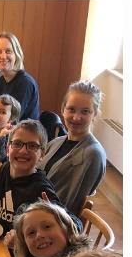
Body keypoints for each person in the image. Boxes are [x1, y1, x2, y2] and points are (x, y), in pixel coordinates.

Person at [0, 119, 70, 229]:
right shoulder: (5, 170)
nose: (23, 151)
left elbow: (74, 224)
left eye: (32, 146)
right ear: (8, 149)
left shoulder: (41, 188)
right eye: (17, 144)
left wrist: (56, 218)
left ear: (42, 155)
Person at [37, 81, 107, 219]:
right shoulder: (56, 142)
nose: (76, 117)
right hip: (35, 212)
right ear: (63, 110)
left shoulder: (92, 154)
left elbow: (69, 207)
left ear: (95, 115)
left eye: (85, 111)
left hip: (53, 226)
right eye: (71, 109)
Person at [12, 200, 87, 257]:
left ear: (66, 228)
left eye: (47, 226)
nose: (39, 235)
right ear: (25, 244)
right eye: (31, 233)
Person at [0, 32, 41, 121]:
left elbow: (12, 121)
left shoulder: (25, 83)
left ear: (16, 54)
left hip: (22, 133)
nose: (3, 56)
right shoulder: (2, 80)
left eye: (8, 51)